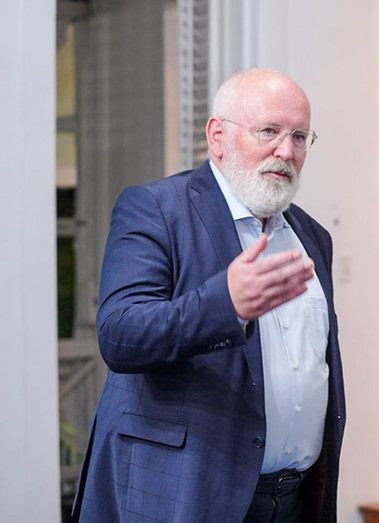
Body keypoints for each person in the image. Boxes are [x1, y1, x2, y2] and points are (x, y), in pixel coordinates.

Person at [72, 69, 345, 522]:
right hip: (187, 495)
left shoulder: (312, 236)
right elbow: (120, 335)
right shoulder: (157, 209)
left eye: (300, 137)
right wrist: (226, 306)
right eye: (269, 132)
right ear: (218, 136)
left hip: (295, 500)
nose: (286, 151)